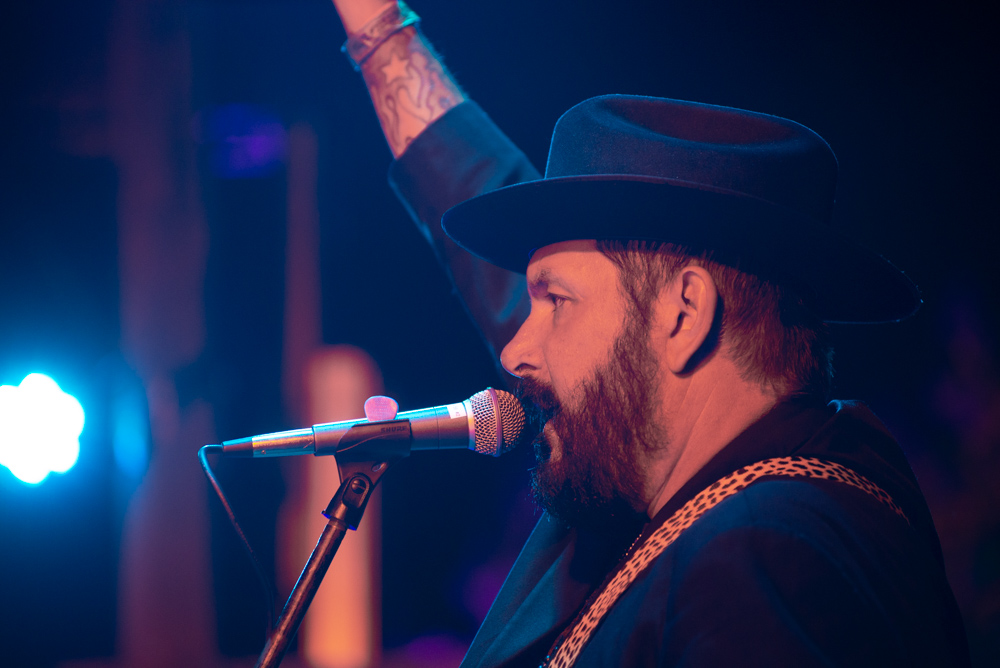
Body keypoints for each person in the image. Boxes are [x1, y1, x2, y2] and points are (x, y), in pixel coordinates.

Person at [330, 1, 970, 665]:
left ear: (684, 315)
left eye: (556, 302)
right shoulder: (717, 495)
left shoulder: (762, 558)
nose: (517, 348)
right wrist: (379, 31)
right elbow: (473, 191)